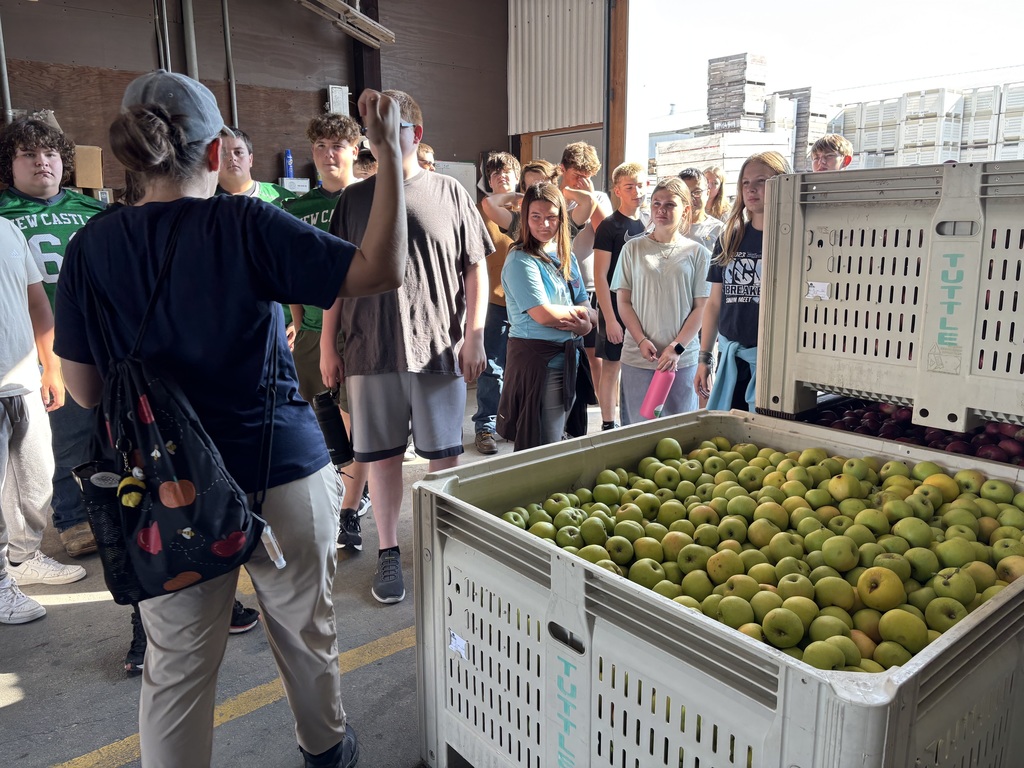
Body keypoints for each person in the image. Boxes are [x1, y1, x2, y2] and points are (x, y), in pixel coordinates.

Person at [53, 69, 407, 768]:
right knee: (306, 633)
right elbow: (378, 271)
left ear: (130, 155)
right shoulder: (245, 222)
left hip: (167, 494)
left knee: (178, 666)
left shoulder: (91, 248)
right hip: (279, 469)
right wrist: (390, 154)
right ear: (217, 153)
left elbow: (86, 392)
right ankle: (325, 751)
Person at [323, 89, 489, 605]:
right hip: (370, 352)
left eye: (388, 129)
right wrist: (329, 346)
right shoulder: (353, 199)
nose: (376, 141)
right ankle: (389, 551)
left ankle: (445, 544)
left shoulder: (450, 193)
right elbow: (334, 278)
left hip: (439, 346)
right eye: (373, 131)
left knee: (443, 460)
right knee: (384, 458)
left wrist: (475, 334)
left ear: (414, 135)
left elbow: (476, 267)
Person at [0, 118, 104, 559]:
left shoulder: (94, 212)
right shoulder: (4, 216)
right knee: (64, 437)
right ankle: (72, 518)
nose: (42, 162)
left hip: (103, 338)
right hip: (38, 348)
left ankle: (114, 508)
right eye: (29, 154)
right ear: (10, 164)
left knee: (111, 428)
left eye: (51, 154)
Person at [285, 112, 373, 542]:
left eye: (336, 145)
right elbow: (290, 271)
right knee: (321, 423)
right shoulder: (296, 208)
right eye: (319, 146)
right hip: (314, 330)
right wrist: (301, 323)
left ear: (355, 151)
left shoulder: (371, 199)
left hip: (360, 329)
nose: (327, 154)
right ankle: (340, 495)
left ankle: (350, 508)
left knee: (357, 420)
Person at [0, 215, 86, 624]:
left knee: (36, 482)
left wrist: (50, 367)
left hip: (24, 379)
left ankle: (22, 559)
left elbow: (37, 302)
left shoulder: (8, 228)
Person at [498, 183, 595, 451]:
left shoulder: (566, 256)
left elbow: (587, 305)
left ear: (562, 219)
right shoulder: (520, 260)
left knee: (561, 440)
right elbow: (543, 313)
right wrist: (584, 318)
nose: (544, 224)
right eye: (536, 217)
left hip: (570, 357)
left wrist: (587, 323)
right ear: (525, 218)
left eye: (552, 217)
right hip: (539, 361)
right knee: (542, 444)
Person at [695, 152, 792, 413]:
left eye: (761, 181)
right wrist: (704, 358)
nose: (752, 189)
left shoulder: (793, 240)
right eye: (746, 182)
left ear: (783, 183)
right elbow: (714, 303)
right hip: (732, 360)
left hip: (776, 364)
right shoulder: (729, 238)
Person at [612, 178, 709, 424]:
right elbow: (623, 302)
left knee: (679, 432)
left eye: (669, 205)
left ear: (686, 209)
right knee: (636, 431)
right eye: (656, 204)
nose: (661, 210)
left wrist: (676, 348)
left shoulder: (698, 253)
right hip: (639, 356)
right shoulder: (632, 249)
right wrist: (641, 339)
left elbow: (702, 308)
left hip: (682, 360)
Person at [592, 161, 648, 430]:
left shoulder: (649, 223)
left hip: (642, 308)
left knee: (638, 365)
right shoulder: (609, 226)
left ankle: (636, 419)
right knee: (612, 366)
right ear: (617, 191)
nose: (637, 191)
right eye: (629, 186)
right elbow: (601, 276)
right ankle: (607, 422)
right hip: (614, 307)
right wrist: (610, 319)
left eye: (640, 184)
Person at [472, 151, 521, 455]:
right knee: (492, 368)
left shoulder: (531, 211)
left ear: (517, 175)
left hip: (527, 304)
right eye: (494, 174)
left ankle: (513, 422)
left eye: (507, 172)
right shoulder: (484, 210)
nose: (501, 176)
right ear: (488, 181)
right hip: (493, 301)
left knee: (522, 366)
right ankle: (485, 427)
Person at [560, 142, 612, 413]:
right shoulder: (553, 197)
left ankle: (604, 414)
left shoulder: (598, 197)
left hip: (591, 286)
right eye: (576, 174)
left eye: (587, 174)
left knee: (595, 356)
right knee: (565, 353)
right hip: (560, 287)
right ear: (562, 169)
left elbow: (606, 232)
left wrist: (589, 198)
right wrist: (567, 193)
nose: (582, 180)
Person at [216, 127, 297, 206]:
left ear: (250, 159)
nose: (232, 158)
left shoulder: (281, 197)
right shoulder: (206, 200)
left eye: (238, 152)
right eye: (224, 154)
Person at [678, 167, 724, 253]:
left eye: (697, 192)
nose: (690, 198)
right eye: (685, 193)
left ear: (707, 193)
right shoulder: (669, 226)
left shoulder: (719, 229)